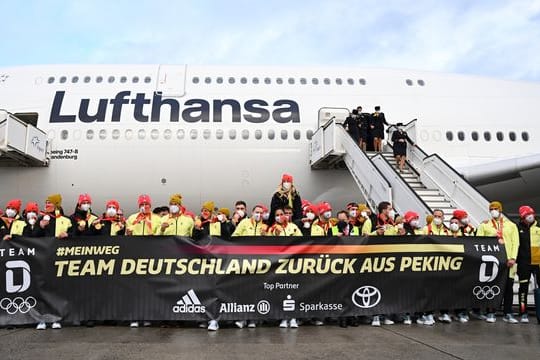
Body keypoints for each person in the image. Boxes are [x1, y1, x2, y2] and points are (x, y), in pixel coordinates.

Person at [476, 201, 519, 324]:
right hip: (493, 261)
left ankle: (508, 313)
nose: (493, 210)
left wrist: (513, 258)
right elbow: (478, 242)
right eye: (491, 209)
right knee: (493, 287)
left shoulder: (511, 225)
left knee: (508, 288)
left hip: (508, 262)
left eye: (496, 208)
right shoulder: (485, 225)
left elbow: (516, 243)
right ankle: (491, 312)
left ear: (500, 210)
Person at [231, 204, 266, 329]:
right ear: (252, 212)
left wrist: (265, 236)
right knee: (243, 291)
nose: (259, 214)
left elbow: (272, 245)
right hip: (244, 262)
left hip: (260, 264)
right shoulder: (244, 223)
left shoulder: (265, 227)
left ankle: (253, 319)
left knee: (256, 292)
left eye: (261, 213)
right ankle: (242, 317)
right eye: (257, 212)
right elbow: (234, 238)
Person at [516, 205, 540, 323]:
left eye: (531, 213)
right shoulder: (517, 227)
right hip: (523, 263)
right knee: (523, 288)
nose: (530, 216)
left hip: (538, 262)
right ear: (522, 217)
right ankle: (523, 312)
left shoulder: (539, 226)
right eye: (527, 215)